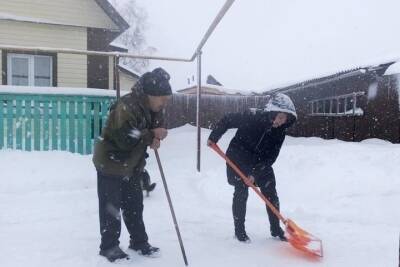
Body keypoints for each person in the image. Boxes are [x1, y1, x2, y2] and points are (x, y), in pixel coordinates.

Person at [92, 68, 172, 262]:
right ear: (149, 95)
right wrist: (151, 135)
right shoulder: (126, 106)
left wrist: (156, 137)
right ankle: (109, 246)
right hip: (111, 162)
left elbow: (152, 129)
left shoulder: (154, 108)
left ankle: (138, 241)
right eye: (162, 98)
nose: (164, 102)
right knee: (111, 207)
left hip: (132, 164)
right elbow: (124, 138)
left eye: (166, 98)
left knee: (134, 204)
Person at [207, 93, 297, 243]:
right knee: (241, 190)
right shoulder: (252, 116)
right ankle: (239, 231)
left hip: (260, 162)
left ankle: (276, 229)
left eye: (285, 119)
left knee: (271, 191)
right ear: (273, 113)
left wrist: (255, 173)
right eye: (280, 117)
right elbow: (227, 119)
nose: (281, 121)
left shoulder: (280, 132)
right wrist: (214, 137)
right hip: (238, 156)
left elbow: (271, 157)